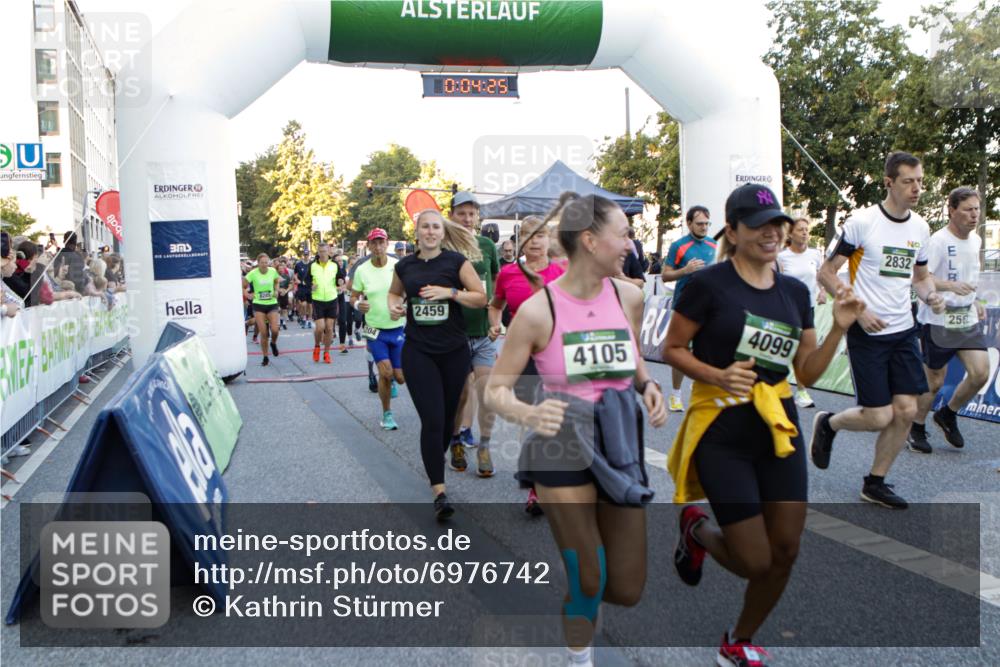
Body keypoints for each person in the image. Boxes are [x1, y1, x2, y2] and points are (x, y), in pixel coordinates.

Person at [666, 184, 864, 667]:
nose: (772, 232)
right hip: (722, 428)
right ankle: (699, 534)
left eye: (777, 223)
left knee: (786, 548)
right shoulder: (707, 286)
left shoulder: (794, 292)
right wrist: (716, 374)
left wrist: (838, 325)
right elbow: (671, 349)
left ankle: (738, 638)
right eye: (758, 225)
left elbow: (808, 372)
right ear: (732, 232)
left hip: (777, 425)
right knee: (755, 559)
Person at [485, 193, 667, 667]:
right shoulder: (538, 311)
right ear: (590, 240)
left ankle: (585, 607)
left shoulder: (629, 295)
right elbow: (496, 391)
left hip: (619, 436)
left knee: (625, 588)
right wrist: (527, 415)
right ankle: (577, 654)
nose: (631, 243)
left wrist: (647, 386)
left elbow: (634, 356)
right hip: (559, 443)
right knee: (589, 577)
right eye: (623, 234)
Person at [813, 151, 945, 509]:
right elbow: (826, 273)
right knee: (877, 416)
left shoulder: (920, 228)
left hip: (903, 329)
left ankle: (875, 482)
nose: (917, 188)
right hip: (866, 331)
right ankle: (829, 423)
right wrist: (858, 309)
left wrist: (931, 295)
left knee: (905, 409)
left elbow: (919, 278)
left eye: (920, 181)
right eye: (908, 181)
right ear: (889, 182)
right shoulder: (862, 223)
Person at [388, 210, 487, 520]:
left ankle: (436, 454)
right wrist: (394, 306)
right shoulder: (405, 266)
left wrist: (451, 292)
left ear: (443, 233)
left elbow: (481, 298)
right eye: (425, 227)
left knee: (445, 420)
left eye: (435, 227)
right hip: (418, 352)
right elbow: (394, 293)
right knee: (432, 419)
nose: (430, 232)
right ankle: (439, 491)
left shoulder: (456, 263)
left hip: (454, 351)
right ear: (416, 231)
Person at [489, 215, 567, 514]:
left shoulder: (564, 272)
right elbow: (496, 306)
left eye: (541, 234)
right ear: (521, 239)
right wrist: (495, 324)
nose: (535, 240)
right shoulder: (509, 273)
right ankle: (536, 487)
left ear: (549, 239)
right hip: (524, 356)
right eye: (529, 235)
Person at [907, 187, 990, 453]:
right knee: (934, 382)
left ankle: (948, 414)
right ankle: (916, 427)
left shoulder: (975, 241)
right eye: (967, 209)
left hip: (965, 317)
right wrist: (949, 287)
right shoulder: (938, 241)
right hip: (938, 318)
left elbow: (971, 276)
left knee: (980, 374)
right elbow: (922, 277)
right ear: (952, 211)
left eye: (976, 209)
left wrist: (975, 299)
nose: (974, 214)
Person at [448, 191, 500, 478]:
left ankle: (485, 446)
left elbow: (495, 286)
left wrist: (496, 318)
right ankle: (455, 439)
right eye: (462, 213)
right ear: (452, 215)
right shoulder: (443, 246)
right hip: (454, 332)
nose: (468, 219)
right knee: (461, 394)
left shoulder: (487, 245)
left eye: (472, 214)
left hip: (483, 332)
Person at [661, 206, 718, 412]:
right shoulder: (679, 246)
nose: (703, 227)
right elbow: (665, 276)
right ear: (689, 224)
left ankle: (700, 387)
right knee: (680, 349)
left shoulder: (713, 244)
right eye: (699, 223)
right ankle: (676, 395)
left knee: (706, 348)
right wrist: (686, 270)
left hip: (708, 305)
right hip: (684, 304)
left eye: (706, 224)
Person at [352, 228, 405, 430]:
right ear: (368, 246)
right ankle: (387, 414)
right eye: (374, 243)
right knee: (385, 372)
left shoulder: (398, 266)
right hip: (374, 330)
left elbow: (407, 292)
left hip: (397, 328)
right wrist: (358, 305)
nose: (378, 246)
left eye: (381, 242)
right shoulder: (362, 270)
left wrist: (403, 307)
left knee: (400, 378)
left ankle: (390, 380)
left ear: (387, 244)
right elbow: (354, 297)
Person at [777, 218, 828, 408]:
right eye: (800, 230)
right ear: (791, 234)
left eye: (807, 229)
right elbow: (778, 281)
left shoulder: (815, 254)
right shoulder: (782, 257)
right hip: (787, 308)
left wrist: (822, 291)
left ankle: (801, 392)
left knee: (803, 350)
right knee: (785, 348)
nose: (805, 233)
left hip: (808, 308)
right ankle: (777, 387)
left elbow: (819, 276)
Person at [243, 253, 281, 366]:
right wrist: (247, 295)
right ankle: (265, 357)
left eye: (266, 262)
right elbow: (243, 285)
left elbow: (277, 281)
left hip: (272, 303)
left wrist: (276, 290)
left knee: (275, 330)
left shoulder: (272, 271)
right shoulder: (253, 273)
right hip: (258, 304)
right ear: (258, 263)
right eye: (262, 262)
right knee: (263, 332)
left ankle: (273, 343)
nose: (264, 264)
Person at [306, 244, 340, 364]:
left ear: (328, 252)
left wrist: (340, 282)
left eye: (325, 251)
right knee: (320, 327)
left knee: (330, 328)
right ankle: (316, 346)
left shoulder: (334, 265)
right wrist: (311, 286)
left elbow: (340, 277)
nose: (323, 254)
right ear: (318, 252)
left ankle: (326, 353)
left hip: (332, 298)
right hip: (318, 299)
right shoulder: (312, 265)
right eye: (320, 251)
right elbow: (307, 279)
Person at [293, 249, 313, 328]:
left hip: (309, 286)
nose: (306, 256)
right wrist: (296, 279)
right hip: (301, 287)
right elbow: (295, 274)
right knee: (304, 304)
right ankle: (304, 318)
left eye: (307, 255)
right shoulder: (298, 264)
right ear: (303, 255)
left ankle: (309, 319)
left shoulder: (312, 264)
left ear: (309, 255)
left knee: (310, 305)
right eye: (305, 255)